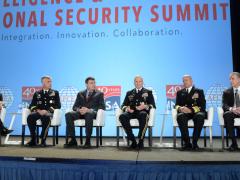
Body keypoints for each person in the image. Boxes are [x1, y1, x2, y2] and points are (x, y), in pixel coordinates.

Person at [64, 77, 105, 148]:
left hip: (92, 114)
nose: (94, 84)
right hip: (81, 113)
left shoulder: (99, 94)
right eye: (91, 83)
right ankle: (73, 140)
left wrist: (89, 110)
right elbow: (74, 107)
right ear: (86, 84)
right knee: (68, 114)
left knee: (89, 114)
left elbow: (102, 107)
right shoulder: (80, 93)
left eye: (94, 83)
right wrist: (79, 110)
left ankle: (87, 141)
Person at [119, 76, 156, 149]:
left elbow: (153, 105)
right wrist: (127, 108)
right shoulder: (129, 93)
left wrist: (145, 106)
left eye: (140, 81)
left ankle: (141, 140)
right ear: (134, 83)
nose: (138, 83)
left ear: (142, 82)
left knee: (144, 115)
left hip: (142, 112)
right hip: (131, 112)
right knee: (122, 116)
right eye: (136, 81)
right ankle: (132, 140)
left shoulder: (148, 92)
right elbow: (123, 105)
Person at [26, 76, 61, 147]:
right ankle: (33, 139)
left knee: (46, 118)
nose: (50, 83)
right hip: (39, 112)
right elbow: (32, 105)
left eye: (51, 81)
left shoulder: (55, 92)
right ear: (43, 83)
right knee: (30, 117)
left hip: (49, 113)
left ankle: (43, 140)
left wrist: (47, 111)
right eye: (48, 81)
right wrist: (38, 110)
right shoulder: (37, 93)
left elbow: (58, 105)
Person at [175, 75, 206, 150]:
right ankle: (187, 143)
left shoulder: (199, 91)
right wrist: (180, 108)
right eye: (183, 81)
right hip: (185, 112)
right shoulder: (179, 92)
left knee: (200, 116)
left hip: (196, 112)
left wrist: (191, 110)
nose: (184, 82)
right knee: (180, 116)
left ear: (191, 81)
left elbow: (202, 105)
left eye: (186, 80)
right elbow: (176, 105)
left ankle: (195, 143)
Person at [222, 72, 240, 151]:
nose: (231, 81)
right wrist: (232, 109)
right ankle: (234, 143)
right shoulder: (227, 92)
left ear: (239, 79)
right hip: (232, 112)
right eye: (230, 79)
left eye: (233, 79)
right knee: (227, 114)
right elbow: (224, 105)